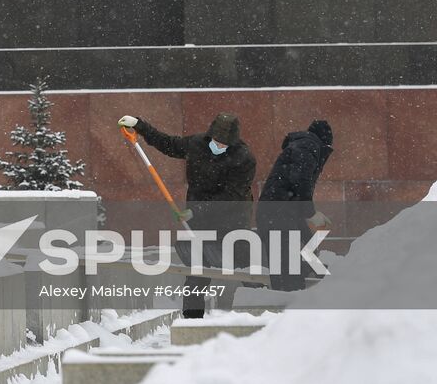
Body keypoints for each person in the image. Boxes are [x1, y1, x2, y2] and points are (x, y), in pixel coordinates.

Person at [118, 112, 255, 316]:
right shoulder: (197, 144)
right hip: (200, 222)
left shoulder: (244, 158)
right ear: (210, 137)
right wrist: (140, 126)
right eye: (216, 141)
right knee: (197, 273)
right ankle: (192, 322)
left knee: (246, 269)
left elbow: (231, 196)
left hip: (232, 221)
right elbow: (168, 144)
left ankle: (260, 315)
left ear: (233, 143)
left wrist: (195, 210)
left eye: (224, 144)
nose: (218, 146)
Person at [257, 119, 334, 291]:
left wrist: (316, 261)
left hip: (277, 213)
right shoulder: (309, 146)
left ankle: (294, 292)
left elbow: (296, 190)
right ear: (324, 143)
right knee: (287, 275)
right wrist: (311, 213)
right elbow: (301, 181)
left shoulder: (302, 145)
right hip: (277, 214)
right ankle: (287, 308)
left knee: (287, 268)